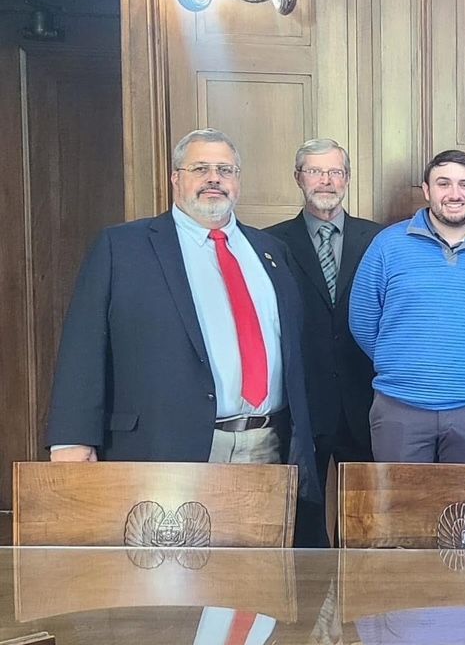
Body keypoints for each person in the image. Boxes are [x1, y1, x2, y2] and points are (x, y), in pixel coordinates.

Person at [45, 128, 322, 541]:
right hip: (168, 444)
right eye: (200, 168)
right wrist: (71, 438)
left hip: (267, 446)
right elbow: (84, 346)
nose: (214, 178)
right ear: (176, 178)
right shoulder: (123, 247)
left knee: (258, 580)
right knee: (172, 584)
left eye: (225, 169)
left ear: (238, 180)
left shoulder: (270, 251)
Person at [349, 150, 465, 463]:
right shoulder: (387, 245)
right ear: (427, 190)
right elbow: (363, 320)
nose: (454, 194)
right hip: (399, 408)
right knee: (399, 508)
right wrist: (403, 364)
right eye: (443, 184)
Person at [267, 138, 380, 484]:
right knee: (302, 514)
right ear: (298, 177)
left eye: (335, 172)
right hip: (301, 401)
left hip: (366, 398)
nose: (326, 181)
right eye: (315, 172)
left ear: (347, 178)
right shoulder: (269, 244)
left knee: (368, 514)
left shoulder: (381, 239)